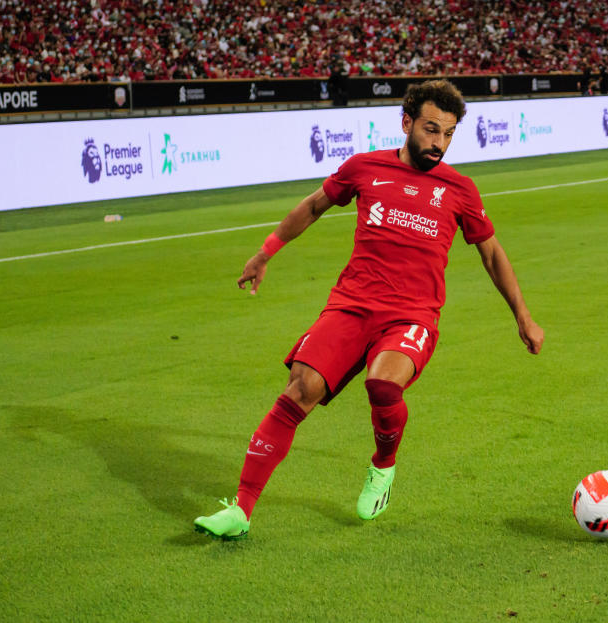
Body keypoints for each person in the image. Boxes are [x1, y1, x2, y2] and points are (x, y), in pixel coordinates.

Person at [194, 79, 544, 540]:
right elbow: (316, 204)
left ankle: (383, 465)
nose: (438, 142)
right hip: (351, 305)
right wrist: (266, 251)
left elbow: (491, 253)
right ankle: (240, 509)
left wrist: (522, 314)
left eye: (448, 134)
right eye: (430, 129)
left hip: (413, 315)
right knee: (300, 388)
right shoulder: (364, 168)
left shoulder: (459, 189)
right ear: (406, 123)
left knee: (383, 382)